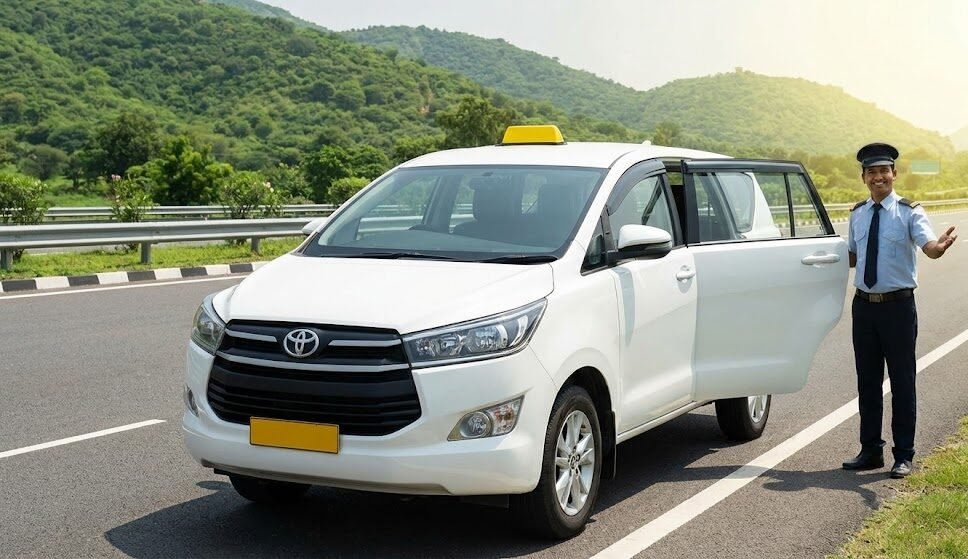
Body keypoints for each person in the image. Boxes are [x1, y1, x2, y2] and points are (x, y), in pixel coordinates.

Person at [842, 143, 957, 478]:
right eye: (871, 172)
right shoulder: (857, 213)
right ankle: (870, 451)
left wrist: (940, 247)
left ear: (894, 174)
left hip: (898, 309)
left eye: (884, 171)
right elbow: (851, 257)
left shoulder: (909, 212)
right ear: (863, 177)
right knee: (867, 382)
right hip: (863, 308)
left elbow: (929, 248)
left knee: (903, 382)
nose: (878, 177)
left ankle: (903, 454)